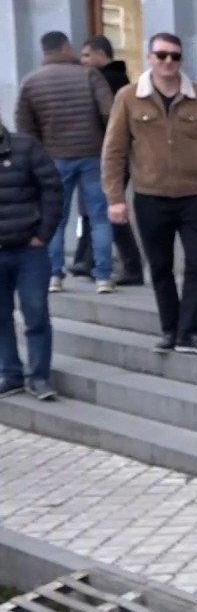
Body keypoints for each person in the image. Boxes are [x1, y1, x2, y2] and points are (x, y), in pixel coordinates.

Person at [102, 32, 197, 355]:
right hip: (150, 197)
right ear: (150, 57)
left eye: (175, 56)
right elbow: (113, 151)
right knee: (160, 266)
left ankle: (190, 333)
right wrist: (115, 198)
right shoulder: (128, 97)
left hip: (194, 197)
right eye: (162, 55)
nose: (168, 61)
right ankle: (170, 329)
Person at [14, 30, 115, 293]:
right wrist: (108, 145)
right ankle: (103, 276)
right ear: (66, 48)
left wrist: (39, 154)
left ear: (44, 51)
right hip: (93, 155)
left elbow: (24, 127)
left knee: (55, 217)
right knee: (100, 216)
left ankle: (54, 275)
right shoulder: (89, 75)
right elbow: (110, 113)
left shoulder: (31, 82)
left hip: (54, 158)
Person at [69, 34, 144, 286]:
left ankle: (130, 266)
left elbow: (108, 120)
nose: (83, 61)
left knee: (110, 208)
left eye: (87, 55)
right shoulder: (113, 79)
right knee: (101, 208)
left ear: (101, 55)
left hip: (111, 155)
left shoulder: (107, 81)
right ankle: (89, 260)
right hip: (109, 154)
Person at [0, 120, 63, 401]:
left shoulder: (26, 147)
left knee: (35, 312)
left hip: (29, 250)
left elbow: (52, 188)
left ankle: (38, 376)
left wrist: (43, 233)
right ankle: (10, 374)